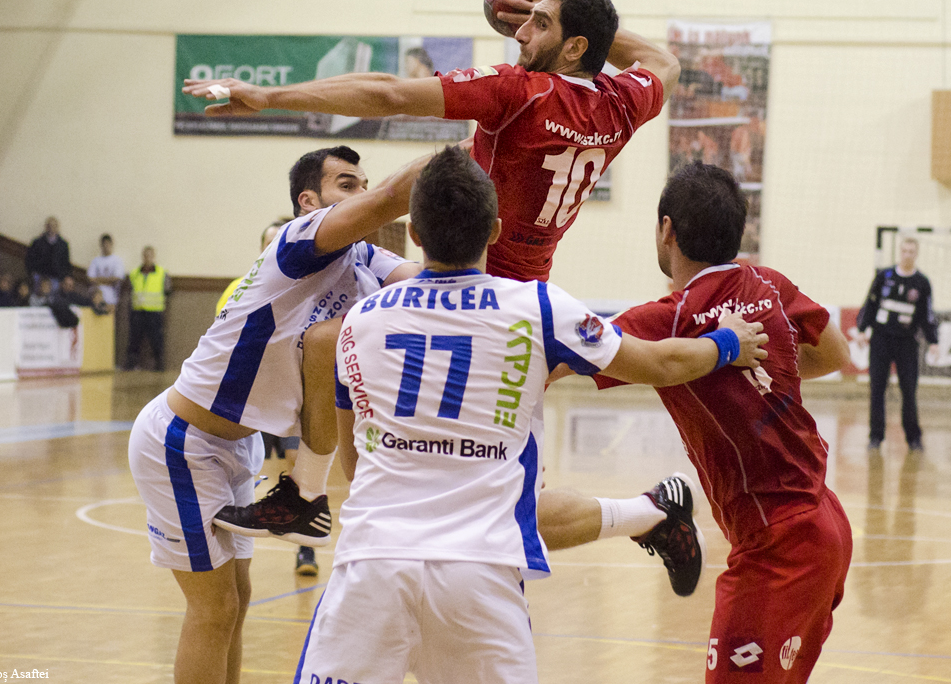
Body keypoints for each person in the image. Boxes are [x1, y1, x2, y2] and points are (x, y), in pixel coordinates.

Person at [288, 147, 765, 684]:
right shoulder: (538, 307)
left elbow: (355, 467)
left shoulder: (359, 322)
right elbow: (659, 363)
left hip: (372, 567)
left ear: (414, 234)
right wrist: (728, 343)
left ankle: (645, 513)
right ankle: (646, 512)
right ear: (495, 231)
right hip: (481, 575)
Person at [127, 146, 429, 684]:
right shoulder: (299, 239)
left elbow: (431, 280)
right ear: (309, 201)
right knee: (213, 609)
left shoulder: (364, 257)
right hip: (182, 441)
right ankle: (306, 492)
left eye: (362, 183)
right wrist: (488, 136)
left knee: (237, 602)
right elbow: (390, 197)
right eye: (346, 184)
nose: (361, 193)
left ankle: (305, 492)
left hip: (238, 442)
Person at [184, 0, 680, 281]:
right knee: (448, 160)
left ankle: (294, 254)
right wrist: (576, 15)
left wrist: (269, 96)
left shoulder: (519, 91)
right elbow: (663, 61)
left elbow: (389, 94)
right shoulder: (624, 102)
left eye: (540, 24)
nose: (521, 32)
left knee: (335, 345)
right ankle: (311, 245)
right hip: (532, 289)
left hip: (466, 277)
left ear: (575, 47)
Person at [587, 160, 853, 683]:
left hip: (778, 549)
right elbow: (835, 352)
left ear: (667, 229)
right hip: (822, 523)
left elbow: (561, 358)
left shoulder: (669, 318)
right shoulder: (769, 283)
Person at [216, 217, 320, 576]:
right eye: (269, 243)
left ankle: (306, 549)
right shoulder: (240, 289)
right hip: (249, 400)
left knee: (297, 469)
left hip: (292, 398)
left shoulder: (312, 288)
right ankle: (226, 549)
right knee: (237, 470)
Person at [855, 236, 939, 451]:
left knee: (909, 391)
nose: (907, 255)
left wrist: (933, 341)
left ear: (916, 254)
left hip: (907, 343)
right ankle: (875, 436)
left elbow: (927, 314)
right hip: (881, 340)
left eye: (911, 251)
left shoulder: (922, 282)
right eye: (904, 251)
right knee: (877, 389)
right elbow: (870, 304)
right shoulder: (884, 276)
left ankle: (913, 438)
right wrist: (862, 330)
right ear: (899, 252)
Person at [125, 246, 172, 371]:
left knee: (156, 339)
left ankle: (159, 364)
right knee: (134, 338)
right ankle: (131, 363)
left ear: (154, 257)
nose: (147, 258)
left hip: (154, 311)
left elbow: (168, 291)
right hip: (138, 310)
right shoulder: (135, 273)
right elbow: (131, 290)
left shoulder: (161, 273)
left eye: (150, 255)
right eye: (145, 255)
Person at [25, 216, 71, 291]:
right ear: (46, 227)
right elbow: (29, 259)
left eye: (54, 226)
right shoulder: (37, 242)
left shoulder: (63, 245)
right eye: (49, 226)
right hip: (39, 276)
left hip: (55, 278)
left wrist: (61, 277)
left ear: (57, 228)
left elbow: (66, 263)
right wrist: (32, 273)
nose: (51, 228)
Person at [87, 234, 126, 312]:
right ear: (101, 245)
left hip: (111, 297)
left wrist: (99, 280)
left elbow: (116, 279)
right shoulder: (96, 261)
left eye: (108, 244)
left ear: (111, 244)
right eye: (104, 244)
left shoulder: (117, 261)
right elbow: (90, 279)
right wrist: (108, 281)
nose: (106, 246)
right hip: (97, 296)